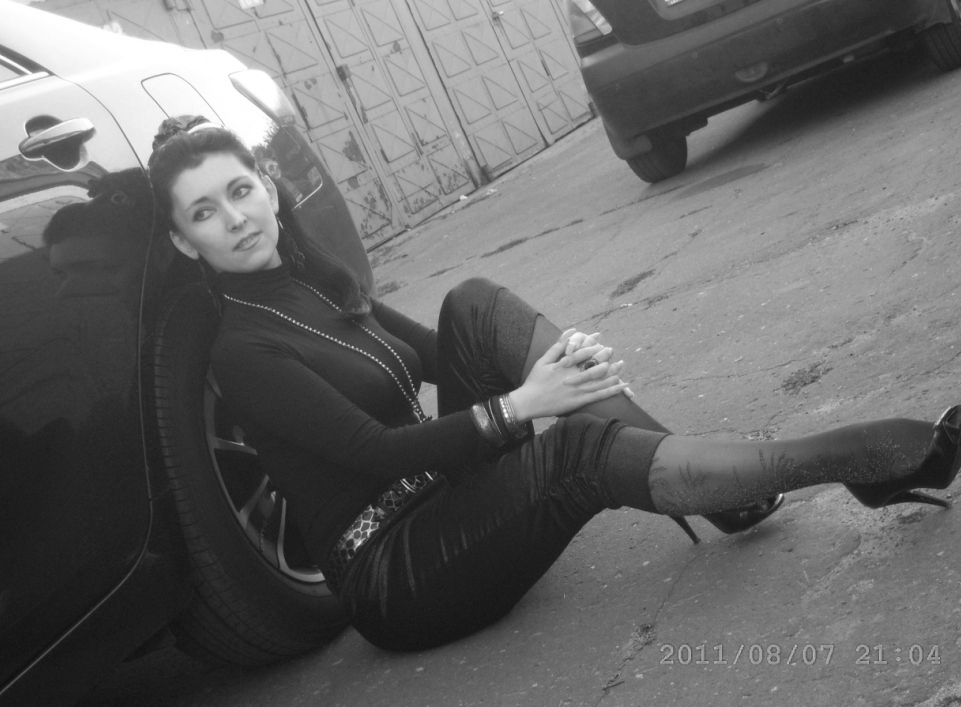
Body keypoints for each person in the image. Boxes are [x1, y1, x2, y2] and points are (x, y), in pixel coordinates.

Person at [147, 115, 961, 652]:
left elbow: (438, 351)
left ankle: (717, 489)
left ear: (267, 186)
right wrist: (523, 405)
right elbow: (373, 453)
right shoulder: (240, 350)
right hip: (397, 570)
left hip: (443, 490)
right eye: (204, 212)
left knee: (474, 304)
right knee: (576, 449)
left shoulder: (316, 280)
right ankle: (847, 462)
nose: (236, 218)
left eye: (240, 190)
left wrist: (549, 367)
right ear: (186, 242)